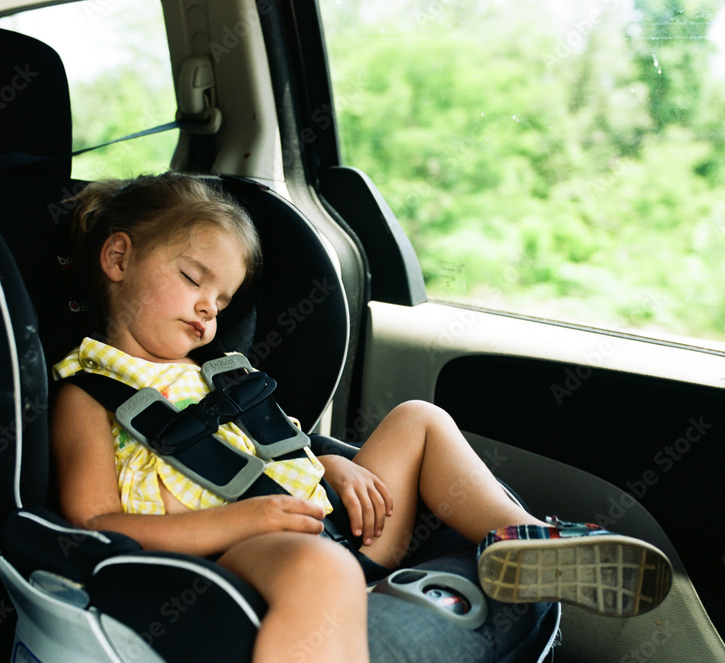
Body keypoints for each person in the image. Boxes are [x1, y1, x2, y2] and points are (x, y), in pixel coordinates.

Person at [51, 172, 672, 663]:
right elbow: (93, 521)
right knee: (318, 565)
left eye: (222, 301)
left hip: (345, 522)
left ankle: (521, 537)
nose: (207, 312)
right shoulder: (89, 392)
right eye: (192, 279)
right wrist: (247, 519)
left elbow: (273, 443)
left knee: (418, 419)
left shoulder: (216, 373)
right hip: (242, 550)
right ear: (117, 258)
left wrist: (328, 463)